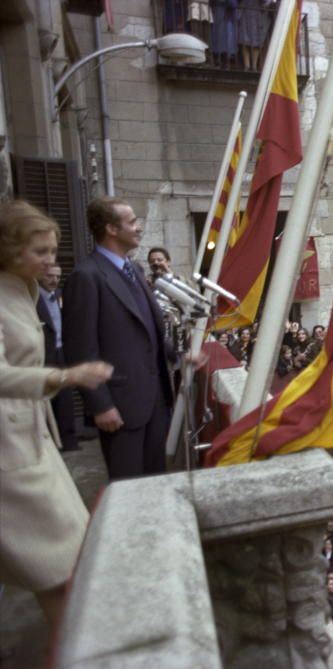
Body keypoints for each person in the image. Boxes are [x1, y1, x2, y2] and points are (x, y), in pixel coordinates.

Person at [0, 200, 113, 630]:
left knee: (66, 560)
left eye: (53, 250)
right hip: (11, 454)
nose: (52, 260)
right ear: (11, 249)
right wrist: (64, 377)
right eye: (41, 251)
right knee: (57, 569)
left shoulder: (24, 287)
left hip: (31, 441)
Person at [63, 196, 176, 480]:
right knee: (127, 489)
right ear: (112, 229)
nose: (138, 228)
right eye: (132, 222)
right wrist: (101, 405)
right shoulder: (86, 277)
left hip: (155, 402)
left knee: (156, 481)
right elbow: (81, 348)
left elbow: (149, 330)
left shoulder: (135, 270)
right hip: (120, 407)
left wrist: (181, 357)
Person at [36, 263, 78, 451]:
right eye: (49, 276)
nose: (54, 280)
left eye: (57, 277)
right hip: (44, 353)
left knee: (65, 398)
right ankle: (50, 442)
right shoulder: (32, 297)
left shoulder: (62, 295)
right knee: (46, 398)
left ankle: (69, 439)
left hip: (63, 351)